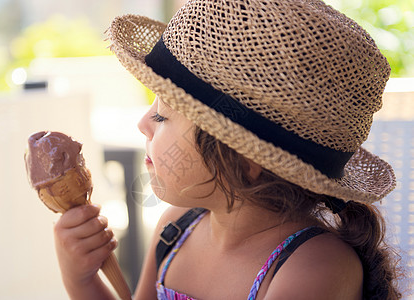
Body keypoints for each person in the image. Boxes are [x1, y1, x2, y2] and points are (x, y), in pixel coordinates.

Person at [53, 0, 403, 299]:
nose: (143, 124)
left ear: (245, 158)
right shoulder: (176, 227)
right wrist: (81, 280)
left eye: (162, 115)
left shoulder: (315, 268)